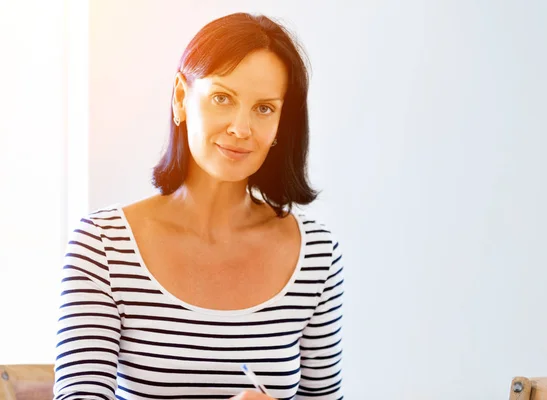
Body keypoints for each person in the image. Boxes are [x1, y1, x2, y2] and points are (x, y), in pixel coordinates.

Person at [53, 12, 344, 400]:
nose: (242, 128)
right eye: (222, 98)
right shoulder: (103, 246)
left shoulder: (316, 255)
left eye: (264, 108)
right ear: (180, 98)